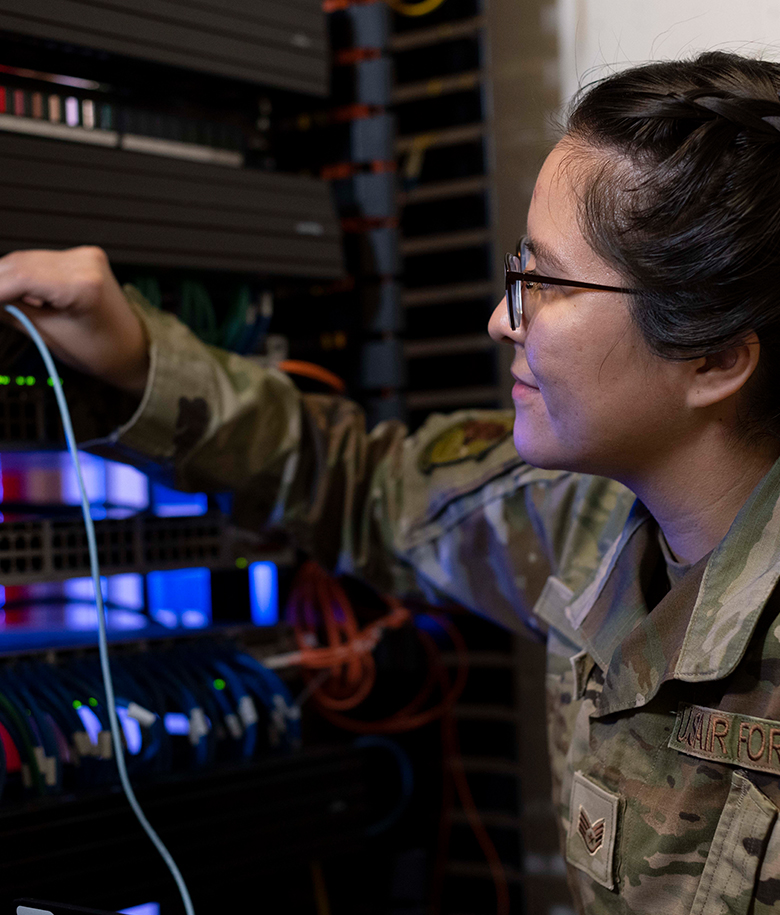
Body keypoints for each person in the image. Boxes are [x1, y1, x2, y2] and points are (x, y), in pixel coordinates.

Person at [2, 49, 780, 915]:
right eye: (515, 272)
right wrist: (138, 356)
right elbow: (363, 482)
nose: (499, 320)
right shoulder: (586, 518)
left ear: (714, 356)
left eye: (546, 284)